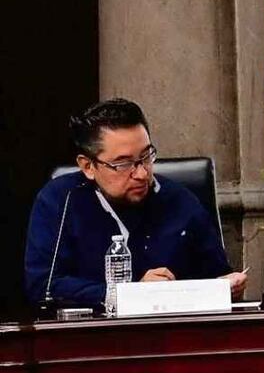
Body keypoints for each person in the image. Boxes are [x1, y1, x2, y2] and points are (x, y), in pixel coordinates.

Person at [24, 99, 246, 308]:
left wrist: (227, 286)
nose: (141, 174)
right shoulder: (61, 200)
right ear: (88, 166)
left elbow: (217, 277)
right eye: (123, 164)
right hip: (91, 339)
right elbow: (43, 286)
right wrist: (130, 295)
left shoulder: (181, 200)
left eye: (146, 157)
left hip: (174, 337)